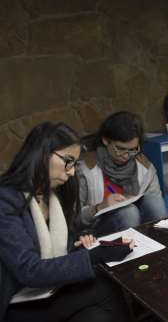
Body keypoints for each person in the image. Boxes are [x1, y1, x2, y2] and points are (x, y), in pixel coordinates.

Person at [0, 121, 135, 321]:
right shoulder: (6, 200)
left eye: (74, 163)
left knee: (95, 316)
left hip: (47, 292)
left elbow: (58, 245)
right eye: (68, 160)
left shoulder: (50, 195)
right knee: (104, 286)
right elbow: (29, 269)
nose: (72, 172)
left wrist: (77, 243)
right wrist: (96, 256)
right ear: (42, 153)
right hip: (16, 302)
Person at [77, 112, 168, 237]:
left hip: (140, 228)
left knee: (154, 202)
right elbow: (72, 219)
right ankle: (133, 255)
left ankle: (164, 250)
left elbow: (157, 208)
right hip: (95, 233)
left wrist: (138, 200)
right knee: (128, 212)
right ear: (105, 139)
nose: (125, 156)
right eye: (119, 149)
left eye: (132, 150)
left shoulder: (145, 168)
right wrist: (98, 208)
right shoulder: (84, 169)